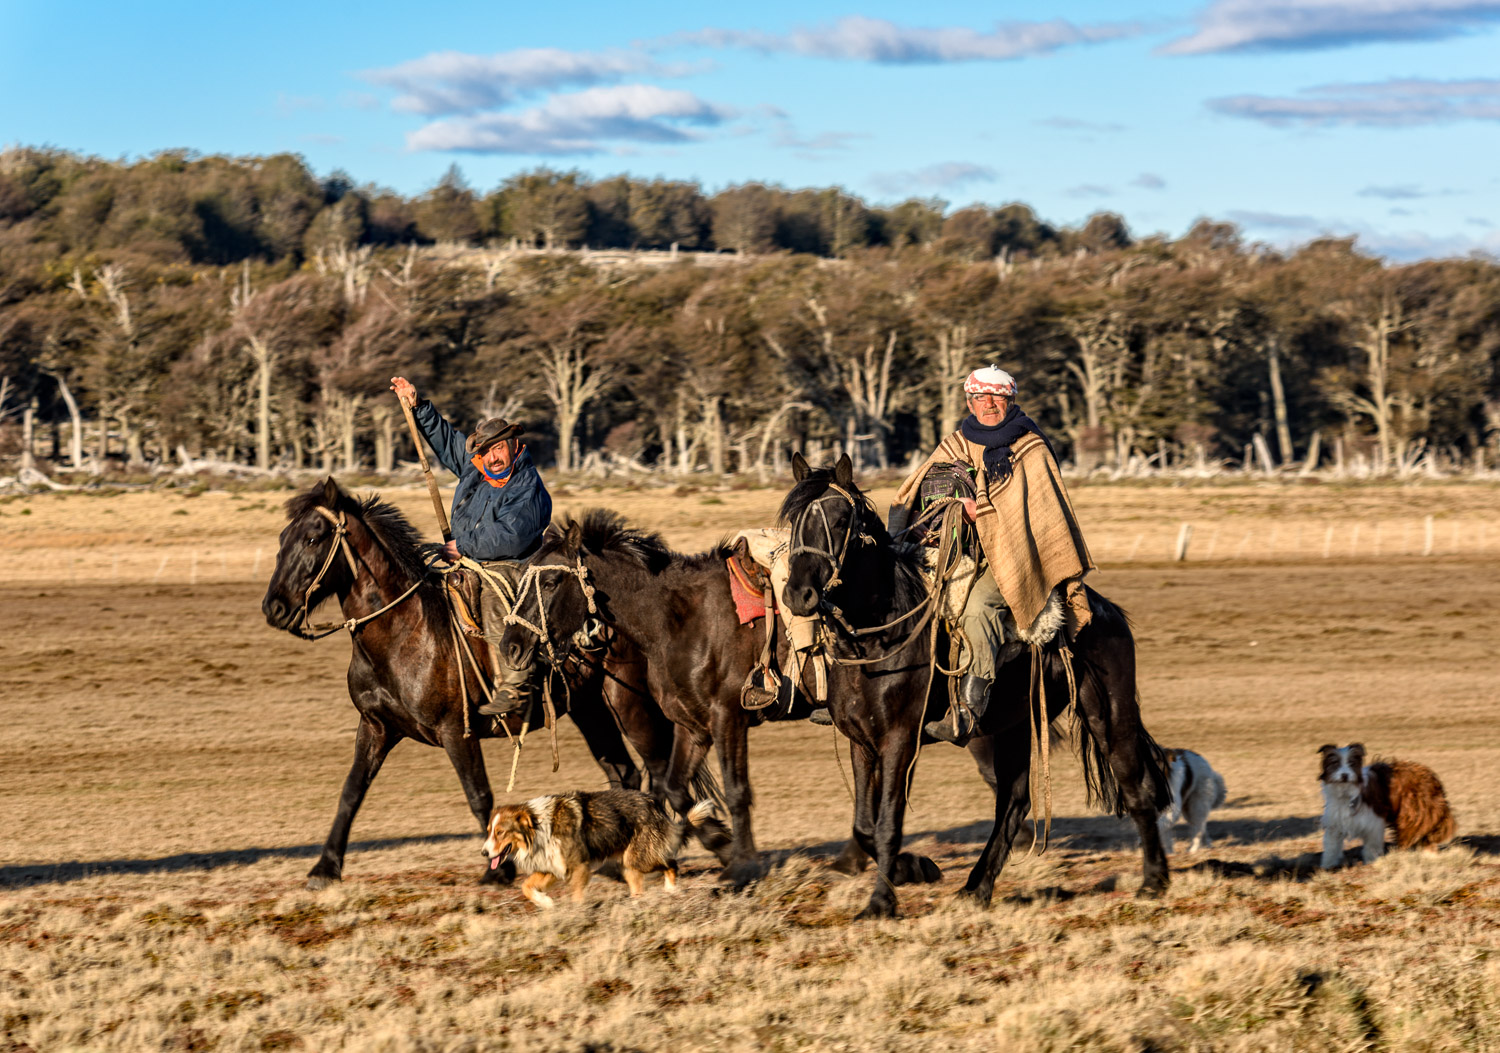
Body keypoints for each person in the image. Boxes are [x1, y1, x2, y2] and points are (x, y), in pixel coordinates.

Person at [887, 365, 1095, 747]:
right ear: (969, 401)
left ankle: (970, 707)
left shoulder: (1030, 446)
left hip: (1013, 558)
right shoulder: (956, 442)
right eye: (980, 397)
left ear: (1010, 400)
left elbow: (1039, 511)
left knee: (978, 607)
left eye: (996, 397)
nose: (988, 404)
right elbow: (913, 488)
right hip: (948, 552)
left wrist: (977, 510)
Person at [390, 376, 551, 564]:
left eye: (499, 448)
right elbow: (447, 441)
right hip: (467, 565)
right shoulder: (476, 466)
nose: (493, 458)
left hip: (509, 571)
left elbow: (512, 536)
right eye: (485, 451)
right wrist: (418, 407)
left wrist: (462, 546)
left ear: (514, 445)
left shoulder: (527, 486)